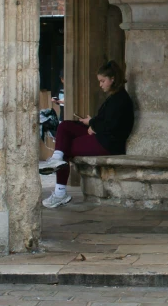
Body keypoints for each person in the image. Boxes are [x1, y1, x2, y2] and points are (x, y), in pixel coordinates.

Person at [38, 60, 135, 208]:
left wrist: (94, 126)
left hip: (108, 142)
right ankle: (56, 158)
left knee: (66, 148)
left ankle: (60, 192)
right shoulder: (115, 97)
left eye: (103, 81)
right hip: (101, 135)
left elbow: (112, 125)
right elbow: (106, 119)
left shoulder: (121, 99)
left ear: (112, 79)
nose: (100, 84)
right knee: (65, 125)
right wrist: (91, 122)